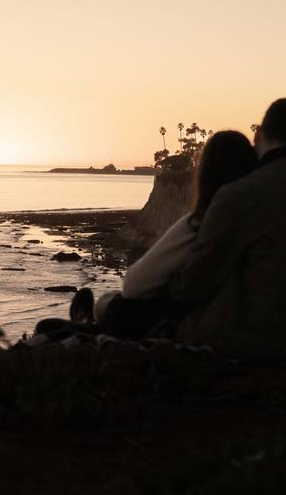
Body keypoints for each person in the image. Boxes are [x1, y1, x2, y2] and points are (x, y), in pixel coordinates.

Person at [168, 98, 286, 360]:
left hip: (261, 339)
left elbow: (195, 283)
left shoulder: (239, 194)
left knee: (122, 311)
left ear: (258, 134)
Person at [35, 131, 258, 340]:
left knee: (106, 304)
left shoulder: (200, 224)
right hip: (243, 327)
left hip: (191, 326)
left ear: (204, 175)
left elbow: (134, 285)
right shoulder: (262, 221)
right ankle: (86, 322)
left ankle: (86, 324)